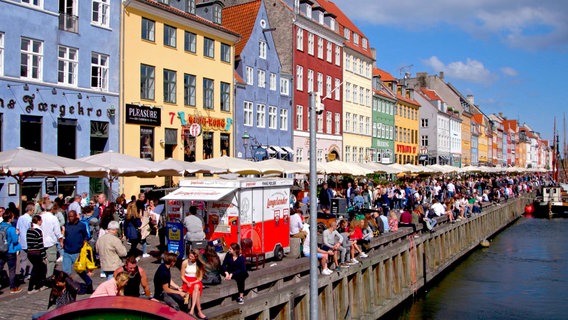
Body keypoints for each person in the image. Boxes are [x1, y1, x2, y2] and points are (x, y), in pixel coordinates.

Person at [62, 210, 93, 294]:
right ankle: (67, 288)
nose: (70, 218)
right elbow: (64, 236)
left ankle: (89, 283)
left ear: (75, 216)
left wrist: (85, 240)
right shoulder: (67, 225)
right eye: (69, 216)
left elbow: (86, 236)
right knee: (65, 271)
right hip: (67, 251)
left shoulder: (81, 225)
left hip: (77, 252)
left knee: (80, 271)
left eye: (72, 216)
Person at [181, 249, 207, 319]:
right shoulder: (185, 262)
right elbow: (182, 276)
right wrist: (187, 282)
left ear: (196, 257)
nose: (190, 258)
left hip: (195, 281)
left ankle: (192, 309)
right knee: (197, 291)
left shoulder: (199, 264)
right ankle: (199, 311)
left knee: (197, 285)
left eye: (192, 257)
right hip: (187, 281)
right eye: (190, 256)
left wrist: (192, 282)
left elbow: (200, 278)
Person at [0, 210, 22, 293]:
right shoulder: (11, 228)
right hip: (10, 250)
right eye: (12, 217)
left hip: (1, 250)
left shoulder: (0, 226)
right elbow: (15, 240)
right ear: (9, 218)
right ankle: (13, 287)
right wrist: (17, 234)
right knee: (12, 269)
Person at [26, 214, 47, 294]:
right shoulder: (38, 231)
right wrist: (44, 255)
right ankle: (31, 288)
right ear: (38, 221)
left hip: (30, 252)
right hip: (36, 253)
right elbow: (40, 244)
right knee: (36, 270)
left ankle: (39, 285)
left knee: (39, 268)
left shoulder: (29, 230)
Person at [17, 204, 34, 281]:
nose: (33, 212)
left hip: (22, 241)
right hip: (29, 241)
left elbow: (17, 229)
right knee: (31, 259)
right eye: (33, 210)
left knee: (23, 259)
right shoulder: (30, 219)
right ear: (30, 210)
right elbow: (31, 229)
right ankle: (29, 273)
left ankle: (22, 273)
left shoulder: (20, 218)